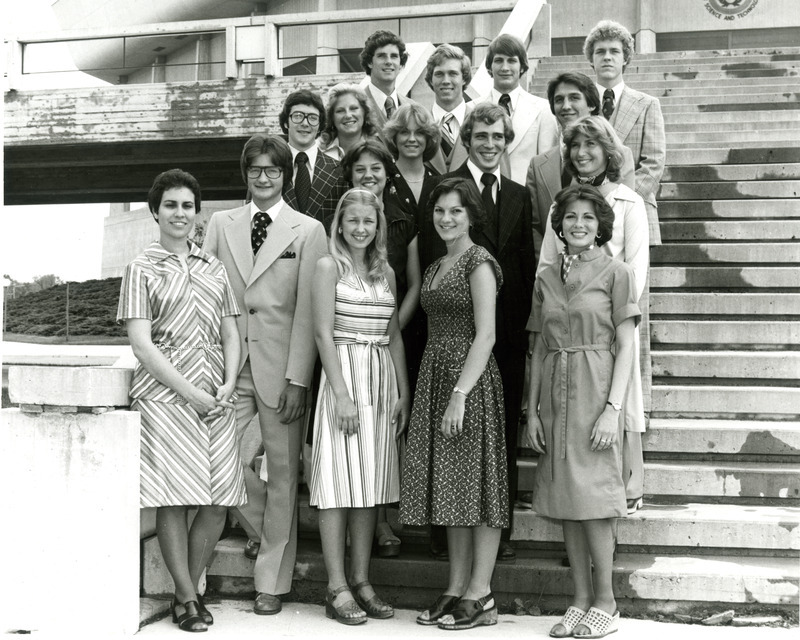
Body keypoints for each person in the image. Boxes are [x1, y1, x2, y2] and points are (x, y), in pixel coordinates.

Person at [203, 134, 328, 616]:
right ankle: (265, 533)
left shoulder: (308, 229)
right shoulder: (220, 223)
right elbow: (208, 294)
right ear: (245, 174)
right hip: (229, 369)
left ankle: (271, 581)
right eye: (255, 169)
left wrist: (299, 378)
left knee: (283, 475)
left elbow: (307, 312)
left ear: (285, 175)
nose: (263, 177)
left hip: (282, 371)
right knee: (218, 463)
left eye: (272, 170)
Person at [118, 169, 246, 632]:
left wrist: (229, 381)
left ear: (198, 213)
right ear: (155, 212)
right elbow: (142, 345)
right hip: (165, 398)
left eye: (187, 206)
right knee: (173, 499)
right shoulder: (141, 268)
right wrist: (190, 393)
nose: (179, 213)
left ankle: (184, 591)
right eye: (170, 205)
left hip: (216, 395)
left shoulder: (213, 267)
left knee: (216, 501)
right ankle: (189, 598)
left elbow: (231, 331)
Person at [417, 103, 536, 562]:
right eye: (481, 136)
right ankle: (441, 536)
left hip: (499, 341)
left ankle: (495, 536)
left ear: (507, 143)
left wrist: (520, 335)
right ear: (466, 139)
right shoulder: (444, 195)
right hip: (448, 339)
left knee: (496, 444)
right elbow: (435, 264)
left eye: (498, 137)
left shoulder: (520, 194)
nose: (490, 144)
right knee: (449, 445)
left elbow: (523, 268)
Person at [526, 184, 640, 639]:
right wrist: (532, 411)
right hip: (556, 391)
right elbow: (537, 346)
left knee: (594, 502)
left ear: (601, 225)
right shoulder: (547, 277)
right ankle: (578, 598)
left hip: (596, 390)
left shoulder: (617, 272)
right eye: (571, 216)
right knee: (565, 499)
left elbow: (627, 344)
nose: (578, 224)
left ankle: (607, 602)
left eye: (588, 218)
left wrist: (613, 409)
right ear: (559, 224)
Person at [401, 177, 507, 630]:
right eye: (440, 211)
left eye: (456, 212)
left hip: (470, 383)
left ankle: (481, 594)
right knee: (453, 488)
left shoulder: (479, 263)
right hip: (435, 376)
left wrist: (459, 395)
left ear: (472, 216)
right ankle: (456, 586)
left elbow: (486, 335)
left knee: (478, 488)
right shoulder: (434, 266)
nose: (446, 218)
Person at [538, 116, 649, 516]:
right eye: (575, 147)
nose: (583, 153)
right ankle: (576, 504)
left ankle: (624, 489)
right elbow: (546, 266)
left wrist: (598, 297)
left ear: (608, 151)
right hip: (567, 323)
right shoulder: (561, 206)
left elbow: (635, 271)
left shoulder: (629, 202)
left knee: (619, 406)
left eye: (592, 145)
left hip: (608, 320)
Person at [310, 188, 411, 624]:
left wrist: (402, 391)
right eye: (352, 220)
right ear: (340, 223)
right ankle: (336, 588)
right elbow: (321, 334)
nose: (360, 228)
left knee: (369, 487)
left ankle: (362, 580)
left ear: (378, 226)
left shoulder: (386, 272)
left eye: (368, 222)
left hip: (380, 378)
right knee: (336, 484)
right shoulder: (328, 267)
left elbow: (394, 337)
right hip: (343, 378)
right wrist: (341, 394)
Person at [584, 23, 664, 509]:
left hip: (630, 225)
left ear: (625, 59)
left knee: (632, 346)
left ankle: (632, 454)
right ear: (591, 58)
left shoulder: (645, 104)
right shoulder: (583, 110)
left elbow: (654, 164)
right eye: (600, 51)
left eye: (615, 51)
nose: (607, 58)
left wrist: (621, 201)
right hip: (585, 225)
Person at [340, 140, 423, 557]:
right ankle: (367, 531)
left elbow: (413, 282)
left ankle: (384, 519)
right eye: (360, 169)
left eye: (376, 168)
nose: (368, 175)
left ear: (387, 175)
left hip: (388, 337)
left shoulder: (404, 223)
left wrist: (391, 327)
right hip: (348, 348)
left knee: (384, 442)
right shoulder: (339, 232)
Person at [526, 72, 635, 258]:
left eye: (574, 98)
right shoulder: (538, 165)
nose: (566, 106)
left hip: (605, 271)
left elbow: (624, 222)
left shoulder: (619, 155)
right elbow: (535, 227)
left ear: (592, 104)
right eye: (559, 100)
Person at [477, 34, 558, 185]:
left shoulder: (543, 109)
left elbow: (547, 169)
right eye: (499, 60)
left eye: (512, 61)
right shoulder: (473, 108)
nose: (505, 67)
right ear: (489, 66)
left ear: (522, 66)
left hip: (526, 200)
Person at [279, 89, 342, 222]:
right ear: (286, 122)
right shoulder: (269, 166)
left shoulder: (339, 171)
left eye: (313, 118)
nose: (305, 123)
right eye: (297, 116)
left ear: (319, 126)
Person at [383, 102, 441, 220]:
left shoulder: (439, 183)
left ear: (428, 137)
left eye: (419, 133)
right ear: (394, 136)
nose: (412, 139)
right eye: (404, 132)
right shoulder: (383, 180)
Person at [425, 43, 474, 175]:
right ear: (430, 79)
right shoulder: (418, 124)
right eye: (439, 74)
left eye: (453, 74)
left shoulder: (481, 122)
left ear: (464, 78)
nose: (446, 81)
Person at [359, 29, 417, 132]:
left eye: (394, 56)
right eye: (381, 56)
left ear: (400, 64)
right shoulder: (356, 105)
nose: (389, 62)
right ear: (369, 62)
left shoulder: (414, 108)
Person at [318, 83, 379, 162]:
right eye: (340, 111)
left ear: (365, 112)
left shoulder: (379, 152)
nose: (348, 115)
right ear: (331, 117)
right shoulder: (319, 153)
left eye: (353, 108)